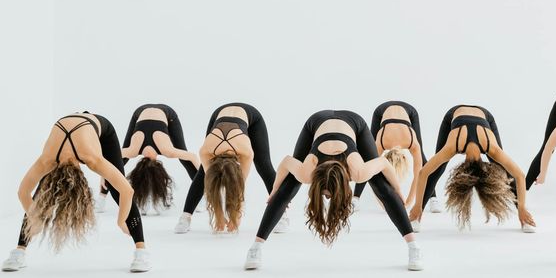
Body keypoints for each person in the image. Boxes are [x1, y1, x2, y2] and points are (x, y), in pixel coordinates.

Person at [244, 109, 423, 271]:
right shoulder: (308, 171)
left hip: (354, 123)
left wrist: (398, 191)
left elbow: (384, 163)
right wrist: (274, 191)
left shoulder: (358, 171)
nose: (327, 199)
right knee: (288, 185)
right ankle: (256, 247)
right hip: (316, 122)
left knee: (381, 185)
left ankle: (414, 247)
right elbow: (286, 162)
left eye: (325, 195)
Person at [1, 112, 150, 273]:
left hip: (102, 128)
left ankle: (141, 251)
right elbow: (22, 192)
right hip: (74, 126)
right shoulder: (48, 159)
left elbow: (127, 191)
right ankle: (19, 251)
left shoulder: (92, 159)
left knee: (115, 188)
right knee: (41, 194)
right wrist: (35, 219)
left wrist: (121, 222)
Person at [408, 105, 536, 233]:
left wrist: (416, 204)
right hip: (454, 115)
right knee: (438, 169)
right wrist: (417, 206)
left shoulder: (467, 146)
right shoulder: (478, 147)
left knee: (504, 171)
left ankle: (416, 214)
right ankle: (418, 213)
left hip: (484, 117)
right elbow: (519, 175)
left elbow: (423, 172)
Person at [173, 103, 283, 234]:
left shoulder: (246, 152)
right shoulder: (205, 151)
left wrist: (236, 216)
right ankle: (185, 217)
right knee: (203, 173)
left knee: (264, 166)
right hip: (219, 114)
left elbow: (240, 188)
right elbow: (210, 185)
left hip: (252, 116)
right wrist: (219, 216)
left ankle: (281, 215)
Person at [96, 104, 199, 215]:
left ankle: (101, 198)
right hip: (140, 113)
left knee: (120, 161)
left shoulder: (165, 150)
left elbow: (193, 157)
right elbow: (108, 160)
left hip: (159, 113)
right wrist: (103, 175)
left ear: (159, 165)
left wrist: (105, 175)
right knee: (119, 160)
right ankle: (202, 194)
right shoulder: (133, 151)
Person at [352, 100, 442, 213]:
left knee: (423, 160)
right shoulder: (382, 142)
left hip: (409, 112)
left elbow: (419, 174)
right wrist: (387, 204)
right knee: (368, 158)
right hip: (381, 112)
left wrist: (407, 202)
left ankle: (433, 198)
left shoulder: (410, 142)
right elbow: (371, 174)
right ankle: (355, 198)